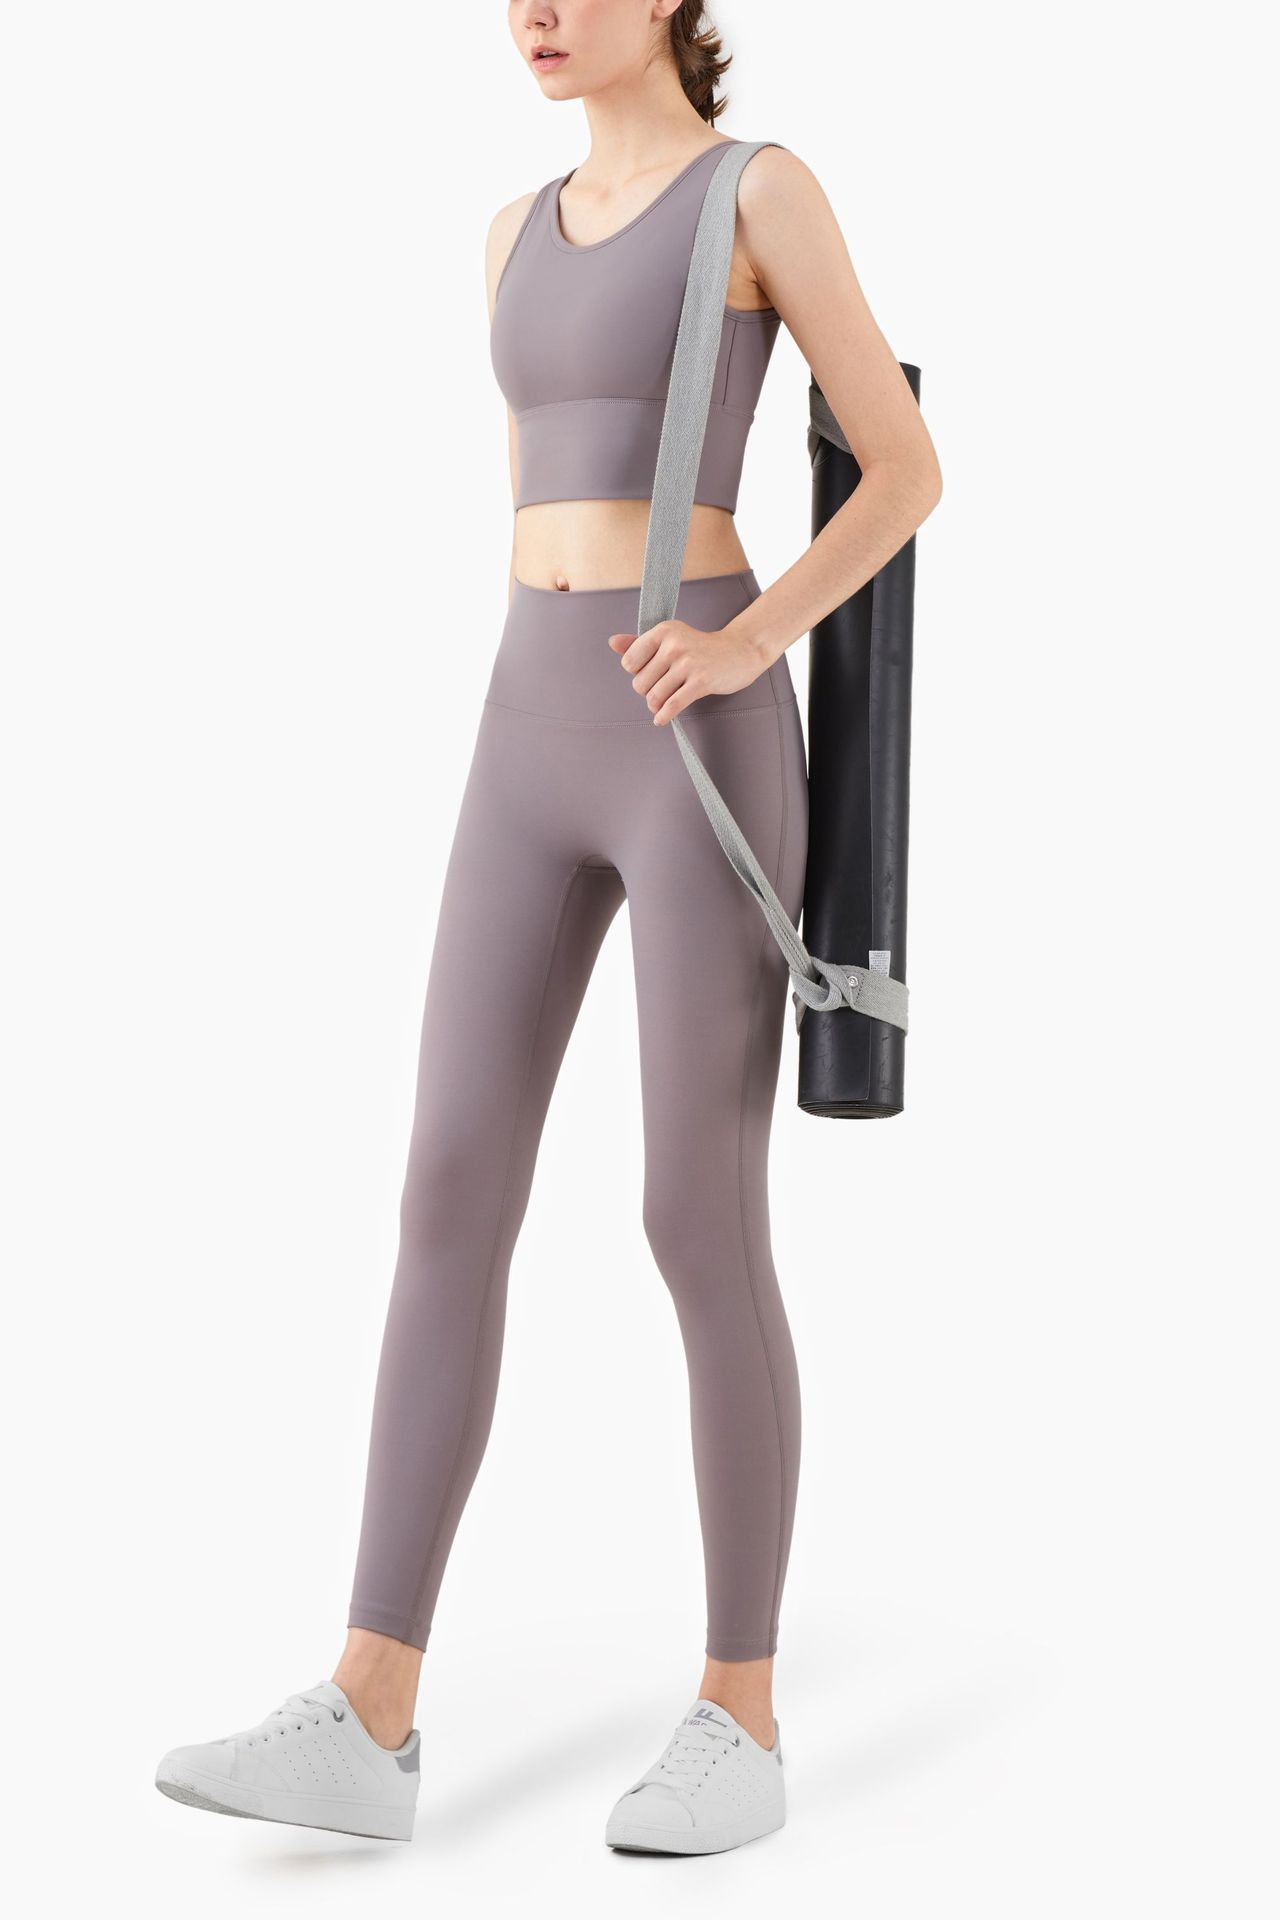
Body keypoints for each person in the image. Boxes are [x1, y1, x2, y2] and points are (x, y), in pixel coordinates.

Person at [154, 0, 942, 1855]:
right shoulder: (507, 232)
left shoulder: (761, 194)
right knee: (446, 1182)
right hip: (525, 722)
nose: (535, 11)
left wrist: (752, 642)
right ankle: (370, 1708)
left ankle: (740, 1717)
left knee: (691, 1210)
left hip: (697, 735)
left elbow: (905, 466)